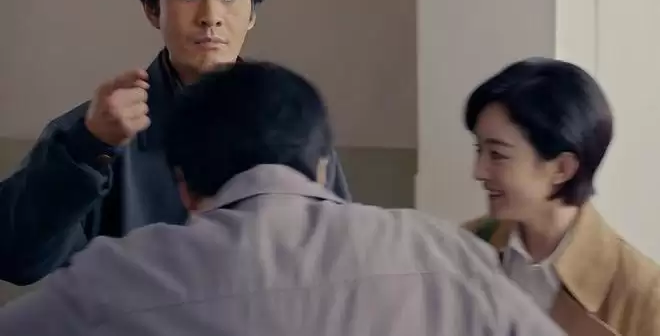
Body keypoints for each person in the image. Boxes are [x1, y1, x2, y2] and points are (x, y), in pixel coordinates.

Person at [0, 61, 564, 336]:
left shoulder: (113, 279)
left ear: (183, 186)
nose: (210, 15)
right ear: (322, 166)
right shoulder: (443, 252)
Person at [0, 0, 350, 286]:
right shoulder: (90, 133)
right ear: (153, 9)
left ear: (251, 14)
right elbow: (16, 260)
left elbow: (339, 259)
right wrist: (88, 147)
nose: (211, 17)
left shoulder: (294, 125)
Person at [462, 58, 660, 336]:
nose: (478, 171)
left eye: (497, 154)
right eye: (479, 150)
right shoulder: (464, 247)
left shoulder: (643, 295)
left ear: (562, 168)